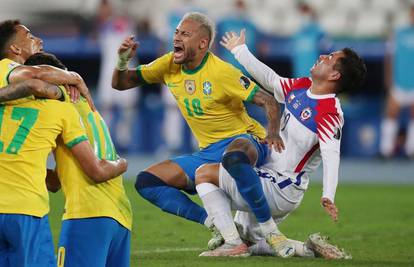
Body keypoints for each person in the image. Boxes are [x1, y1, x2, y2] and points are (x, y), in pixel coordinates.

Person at [112, 11, 284, 244]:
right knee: (146, 182)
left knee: (233, 156)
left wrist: (272, 133)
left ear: (203, 43)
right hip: (208, 152)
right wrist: (122, 61)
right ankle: (216, 223)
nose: (176, 38)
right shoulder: (169, 65)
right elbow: (120, 83)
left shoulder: (222, 72)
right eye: (176, 32)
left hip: (244, 140)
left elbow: (269, 100)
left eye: (185, 34)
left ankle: (270, 231)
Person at [195, 29, 366, 257]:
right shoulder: (302, 86)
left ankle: (232, 244)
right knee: (250, 240)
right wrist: (240, 51)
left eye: (330, 58)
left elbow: (331, 154)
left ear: (335, 76)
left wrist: (328, 194)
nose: (323, 56)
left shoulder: (329, 113)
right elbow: (271, 80)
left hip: (283, 186)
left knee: (204, 174)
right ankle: (307, 249)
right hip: (265, 172)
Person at [0, 20, 128, 267]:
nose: (37, 39)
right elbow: (34, 80)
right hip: (30, 210)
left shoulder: (9, 104)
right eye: (29, 35)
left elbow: (32, 84)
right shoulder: (67, 109)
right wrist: (71, 80)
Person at [24, 52, 133, 267]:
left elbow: (92, 171)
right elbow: (57, 181)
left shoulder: (55, 108)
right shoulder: (87, 104)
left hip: (87, 214)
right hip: (120, 217)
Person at [96, 0, 138, 151]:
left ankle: (124, 142)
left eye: (105, 8)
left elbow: (127, 20)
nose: (102, 11)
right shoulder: (103, 26)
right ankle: (104, 142)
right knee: (106, 107)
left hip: (126, 67)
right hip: (108, 70)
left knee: (127, 108)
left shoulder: (124, 22)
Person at [380, 5, 414, 159]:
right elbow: (390, 57)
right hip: (399, 82)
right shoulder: (399, 33)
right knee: (390, 114)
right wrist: (389, 78)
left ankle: (410, 150)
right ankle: (386, 150)